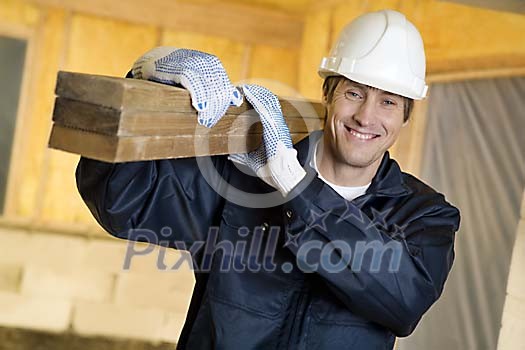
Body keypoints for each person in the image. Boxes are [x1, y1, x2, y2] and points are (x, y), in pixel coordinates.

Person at [76, 9, 460, 350]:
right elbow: (120, 201)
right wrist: (148, 73)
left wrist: (293, 184)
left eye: (389, 101)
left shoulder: (424, 215)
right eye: (354, 93)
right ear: (328, 95)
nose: (365, 116)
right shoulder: (241, 181)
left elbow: (403, 302)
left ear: (405, 115)